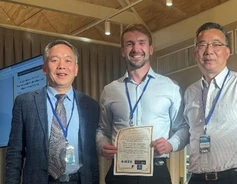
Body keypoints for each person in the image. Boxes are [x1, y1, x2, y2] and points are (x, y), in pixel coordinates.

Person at [96, 23, 189, 184]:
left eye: (141, 42)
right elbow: (102, 130)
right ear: (122, 51)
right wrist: (102, 146)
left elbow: (183, 127)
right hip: (120, 172)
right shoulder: (110, 90)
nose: (136, 48)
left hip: (157, 172)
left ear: (151, 49)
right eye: (129, 44)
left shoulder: (170, 87)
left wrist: (170, 145)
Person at [183, 22, 237, 184]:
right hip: (196, 179)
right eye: (202, 45)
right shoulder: (190, 92)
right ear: (196, 53)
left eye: (216, 45)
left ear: (227, 52)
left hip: (234, 178)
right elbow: (189, 131)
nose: (209, 51)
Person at [5, 40, 100, 184]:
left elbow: (92, 157)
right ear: (44, 68)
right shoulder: (25, 102)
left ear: (76, 69)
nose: (62, 66)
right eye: (55, 60)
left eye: (68, 61)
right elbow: (15, 152)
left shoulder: (90, 105)